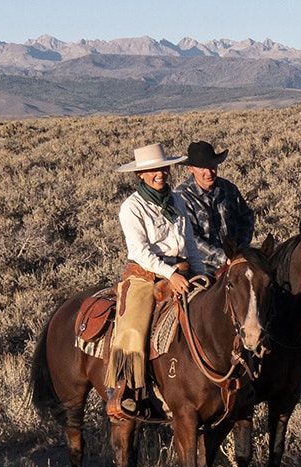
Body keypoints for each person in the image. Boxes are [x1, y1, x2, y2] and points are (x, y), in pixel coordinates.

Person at [109, 143, 204, 419]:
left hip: (183, 270)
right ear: (141, 174)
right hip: (146, 275)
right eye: (152, 170)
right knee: (134, 325)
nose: (159, 174)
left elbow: (190, 243)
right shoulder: (132, 207)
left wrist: (200, 273)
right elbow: (139, 251)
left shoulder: (177, 201)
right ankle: (126, 390)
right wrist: (169, 274)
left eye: (162, 168)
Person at [174, 140, 256, 274]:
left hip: (236, 263)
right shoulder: (181, 197)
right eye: (202, 168)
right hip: (202, 269)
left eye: (212, 166)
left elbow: (246, 217)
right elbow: (189, 238)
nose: (209, 172)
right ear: (191, 169)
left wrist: (241, 248)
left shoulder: (228, 189)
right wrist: (223, 258)